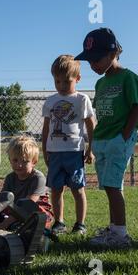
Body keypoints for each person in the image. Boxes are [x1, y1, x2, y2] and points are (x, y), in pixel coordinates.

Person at [75, 28, 138, 247]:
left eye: (96, 59)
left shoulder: (129, 78)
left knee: (113, 187)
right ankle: (114, 229)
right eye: (90, 61)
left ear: (113, 53)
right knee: (109, 186)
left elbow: (136, 108)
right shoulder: (100, 83)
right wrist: (95, 143)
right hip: (103, 139)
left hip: (117, 139)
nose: (93, 65)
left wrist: (124, 137)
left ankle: (120, 236)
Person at [41, 55, 96, 236]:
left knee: (77, 189)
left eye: (67, 81)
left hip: (74, 152)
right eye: (57, 81)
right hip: (55, 153)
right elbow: (46, 128)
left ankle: (80, 224)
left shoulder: (82, 100)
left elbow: (90, 125)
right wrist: (44, 150)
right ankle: (59, 222)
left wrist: (90, 149)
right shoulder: (50, 101)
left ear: (77, 79)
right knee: (56, 190)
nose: (62, 86)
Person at [0, 135, 54, 231]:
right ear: (10, 160)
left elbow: (29, 204)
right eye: (15, 160)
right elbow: (2, 201)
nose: (19, 165)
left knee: (25, 209)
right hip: (16, 211)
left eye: (24, 161)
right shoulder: (10, 178)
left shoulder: (38, 178)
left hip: (36, 214)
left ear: (34, 162)